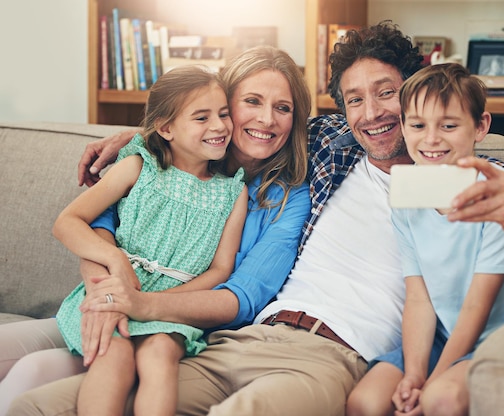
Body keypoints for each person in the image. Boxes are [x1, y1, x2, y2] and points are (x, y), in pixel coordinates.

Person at [9, 22, 504, 416]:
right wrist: (145, 139)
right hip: (237, 342)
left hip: (334, 356)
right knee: (45, 404)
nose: (372, 114)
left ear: (419, 90)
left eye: (387, 93)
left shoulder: (464, 176)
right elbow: (226, 126)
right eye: (354, 99)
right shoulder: (326, 145)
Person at [0, 45, 311, 414]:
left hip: (173, 323)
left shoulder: (269, 196)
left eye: (283, 108)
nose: (267, 119)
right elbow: (98, 225)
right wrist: (113, 290)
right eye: (252, 102)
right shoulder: (152, 158)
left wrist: (140, 304)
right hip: (107, 298)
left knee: (33, 373)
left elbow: (237, 293)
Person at [347, 63, 504, 416]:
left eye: (449, 125)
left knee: (439, 399)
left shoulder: (503, 197)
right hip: (445, 335)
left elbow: (477, 306)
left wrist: (430, 382)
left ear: (480, 127)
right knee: (366, 402)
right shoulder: (410, 193)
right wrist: (413, 374)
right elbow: (419, 297)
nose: (431, 139)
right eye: (417, 125)